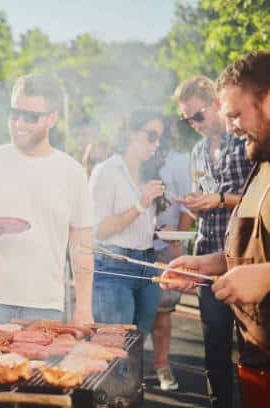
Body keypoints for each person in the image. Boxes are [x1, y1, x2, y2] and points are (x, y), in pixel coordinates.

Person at [163, 50, 270, 407]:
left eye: (236, 115)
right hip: (258, 357)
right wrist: (208, 263)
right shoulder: (251, 158)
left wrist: (265, 277)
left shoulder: (253, 148)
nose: (230, 127)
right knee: (216, 352)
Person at [0, 73, 94, 338]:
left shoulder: (71, 172)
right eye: (14, 114)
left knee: (35, 377)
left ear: (52, 118)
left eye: (31, 117)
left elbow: (81, 245)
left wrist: (84, 307)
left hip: (43, 305)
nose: (19, 123)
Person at [173, 74, 253, 408]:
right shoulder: (197, 150)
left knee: (253, 349)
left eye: (197, 116)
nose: (193, 123)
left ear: (217, 104)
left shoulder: (248, 141)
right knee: (214, 347)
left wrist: (219, 199)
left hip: (246, 258)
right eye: (186, 119)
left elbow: (257, 199)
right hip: (208, 257)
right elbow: (207, 199)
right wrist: (196, 203)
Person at [89, 110, 166, 338]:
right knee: (114, 352)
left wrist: (162, 232)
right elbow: (100, 230)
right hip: (114, 268)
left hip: (148, 266)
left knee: (137, 349)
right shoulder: (106, 171)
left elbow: (139, 226)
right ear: (132, 133)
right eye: (151, 135)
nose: (156, 143)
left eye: (159, 138)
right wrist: (141, 204)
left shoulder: (148, 172)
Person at [141, 118, 193, 391]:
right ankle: (132, 368)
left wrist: (176, 241)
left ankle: (162, 366)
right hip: (136, 247)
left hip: (164, 249)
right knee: (133, 314)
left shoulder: (179, 161)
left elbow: (187, 206)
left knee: (161, 314)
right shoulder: (133, 159)